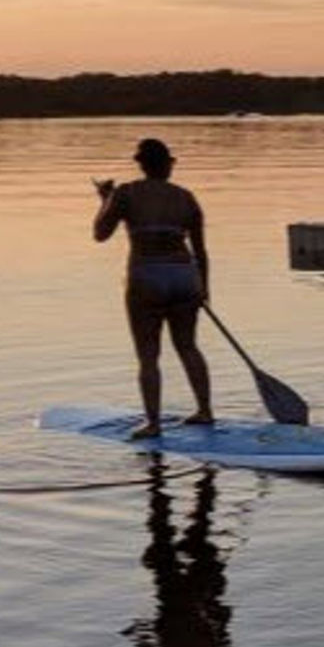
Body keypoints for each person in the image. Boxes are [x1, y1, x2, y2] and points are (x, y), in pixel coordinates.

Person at [93, 138, 213, 439]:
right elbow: (201, 251)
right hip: (185, 276)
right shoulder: (186, 197)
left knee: (148, 356)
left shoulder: (126, 194)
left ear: (142, 165)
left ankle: (154, 424)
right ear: (167, 165)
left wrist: (105, 200)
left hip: (147, 276)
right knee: (188, 346)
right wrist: (204, 288)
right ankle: (205, 410)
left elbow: (100, 234)